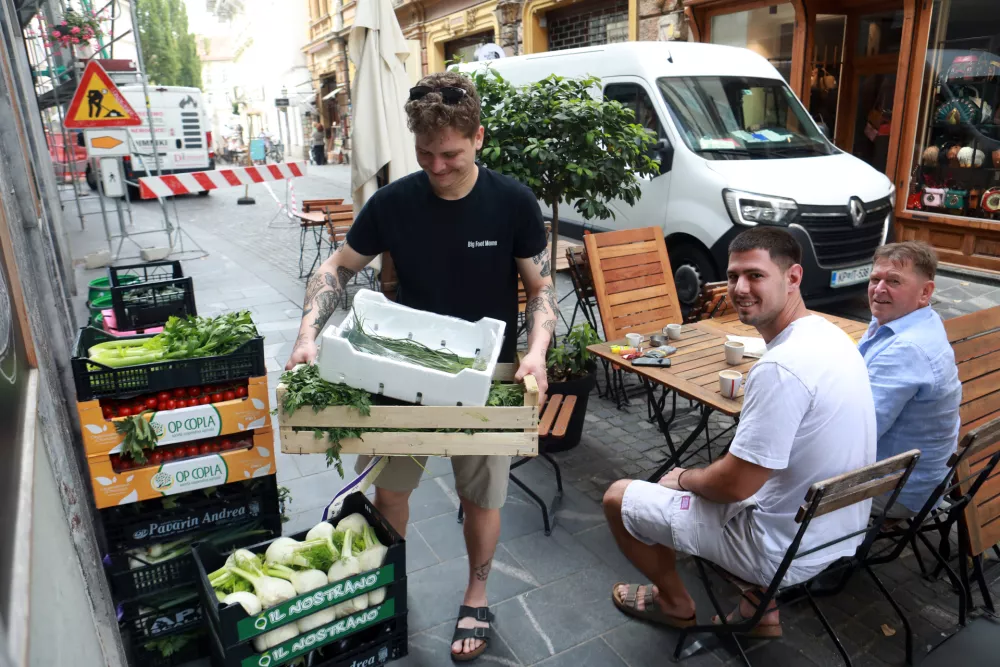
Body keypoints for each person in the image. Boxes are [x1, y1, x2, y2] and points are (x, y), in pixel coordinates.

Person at [284, 71, 557, 662]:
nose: (437, 167)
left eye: (451, 154)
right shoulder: (393, 203)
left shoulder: (511, 201)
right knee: (390, 492)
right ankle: (389, 590)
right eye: (426, 155)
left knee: (482, 496)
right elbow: (334, 269)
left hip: (486, 374)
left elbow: (540, 288)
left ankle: (477, 594)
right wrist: (308, 333)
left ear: (478, 137)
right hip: (397, 370)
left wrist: (535, 352)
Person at [603, 227, 876, 636]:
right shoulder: (831, 336)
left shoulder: (781, 367)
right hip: (840, 531)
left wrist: (684, 478)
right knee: (745, 475)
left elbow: (735, 486)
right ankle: (759, 613)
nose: (739, 288)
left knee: (618, 498)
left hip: (783, 550)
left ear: (794, 277)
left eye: (755, 275)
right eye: (733, 276)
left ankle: (675, 604)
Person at [858, 241, 961, 518]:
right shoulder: (910, 319)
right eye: (875, 279)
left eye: (893, 281)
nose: (879, 289)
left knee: (775, 471)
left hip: (895, 491)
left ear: (925, 292)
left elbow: (857, 436)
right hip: (923, 477)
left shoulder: (906, 349)